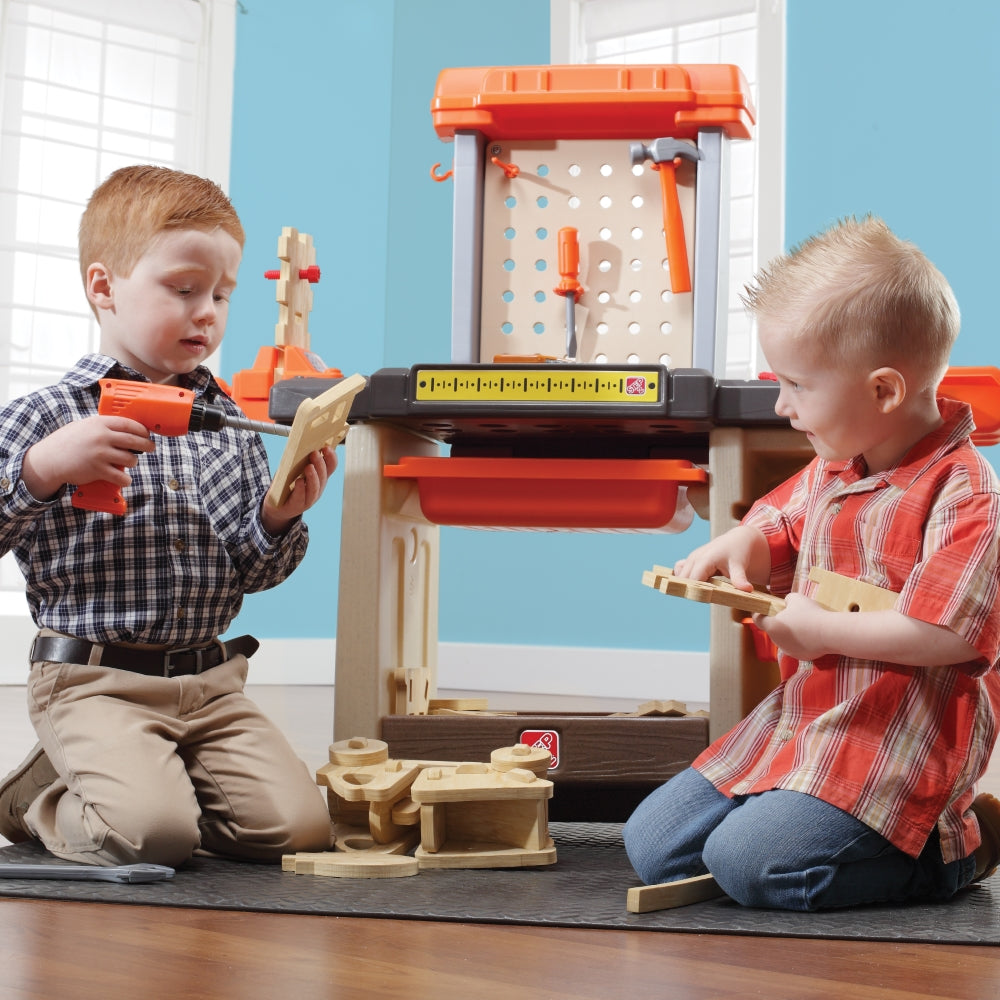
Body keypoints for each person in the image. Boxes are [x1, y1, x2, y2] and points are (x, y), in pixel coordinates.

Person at [623, 216, 1000, 910]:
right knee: (654, 846)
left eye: (796, 384)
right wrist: (745, 542)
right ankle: (794, 826)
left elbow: (951, 635)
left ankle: (950, 854)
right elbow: (783, 517)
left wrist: (823, 633)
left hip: (891, 746)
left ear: (883, 391)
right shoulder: (835, 465)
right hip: (802, 723)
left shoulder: (967, 494)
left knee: (751, 864)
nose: (781, 405)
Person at [0, 165, 336, 867]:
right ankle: (38, 801)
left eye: (220, 293)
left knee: (298, 831)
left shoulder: (231, 426)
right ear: (104, 288)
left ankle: (144, 779)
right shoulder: (46, 419)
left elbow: (254, 572)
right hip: (96, 680)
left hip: (209, 685)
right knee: (151, 837)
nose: (206, 311)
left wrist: (276, 517)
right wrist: (43, 470)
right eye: (183, 289)